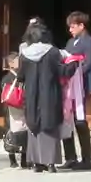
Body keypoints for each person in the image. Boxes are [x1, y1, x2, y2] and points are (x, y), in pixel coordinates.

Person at [16, 19, 66, 172]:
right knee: (49, 125)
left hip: (31, 95)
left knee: (34, 125)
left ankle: (36, 163)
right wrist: (73, 65)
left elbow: (20, 77)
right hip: (50, 94)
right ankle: (50, 163)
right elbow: (62, 71)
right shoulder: (53, 52)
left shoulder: (25, 54)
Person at [59, 11, 91, 171]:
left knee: (80, 122)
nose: (70, 30)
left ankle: (87, 159)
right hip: (67, 86)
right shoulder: (70, 42)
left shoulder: (89, 42)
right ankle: (70, 157)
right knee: (66, 121)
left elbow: (89, 63)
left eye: (73, 26)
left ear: (82, 26)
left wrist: (75, 74)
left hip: (79, 85)